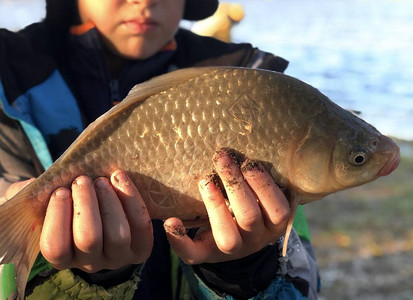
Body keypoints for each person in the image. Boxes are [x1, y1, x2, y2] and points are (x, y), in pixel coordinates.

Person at [0, 0, 319, 299]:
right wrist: (84, 279)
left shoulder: (255, 92)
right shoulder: (8, 81)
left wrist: (244, 269)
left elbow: (307, 286)